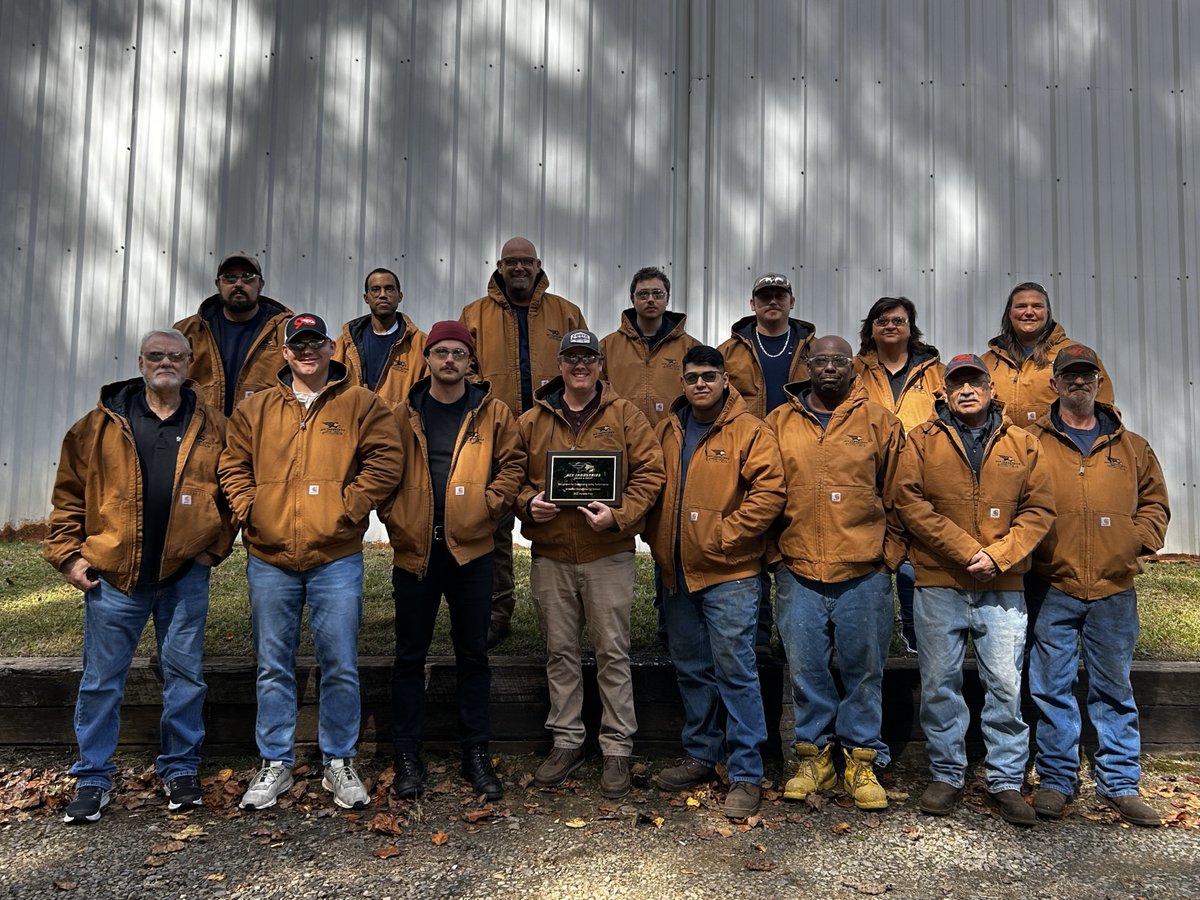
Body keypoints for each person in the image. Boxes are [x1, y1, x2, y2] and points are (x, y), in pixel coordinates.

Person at [45, 329, 235, 824]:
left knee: (185, 679)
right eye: (156, 355)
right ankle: (92, 778)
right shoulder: (98, 425)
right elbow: (67, 495)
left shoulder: (214, 425)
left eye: (175, 356)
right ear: (140, 361)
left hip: (183, 577)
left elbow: (233, 490)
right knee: (102, 682)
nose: (165, 362)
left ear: (190, 363)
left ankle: (180, 768)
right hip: (113, 579)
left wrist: (214, 547)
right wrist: (68, 556)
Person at [220, 313, 403, 812]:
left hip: (335, 556)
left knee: (339, 663)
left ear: (330, 348)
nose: (307, 352)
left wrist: (351, 505)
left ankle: (338, 761)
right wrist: (248, 507)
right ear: (285, 352)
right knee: (272, 664)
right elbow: (231, 463)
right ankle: (275, 761)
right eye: (297, 344)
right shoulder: (255, 408)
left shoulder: (361, 404)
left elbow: (386, 460)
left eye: (315, 343)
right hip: (269, 557)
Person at [893, 353, 1054, 827]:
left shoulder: (1023, 444)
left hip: (1003, 585)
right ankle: (946, 773)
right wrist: (966, 551)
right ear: (943, 392)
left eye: (975, 382)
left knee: (1004, 682)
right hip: (939, 581)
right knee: (940, 682)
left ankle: (1005, 780)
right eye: (957, 384)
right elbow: (909, 501)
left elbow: (1039, 509)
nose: (966, 391)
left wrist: (1000, 555)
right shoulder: (920, 441)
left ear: (990, 389)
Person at [381, 321, 526, 802]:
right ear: (427, 359)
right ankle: (406, 754)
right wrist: (395, 518)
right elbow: (380, 469)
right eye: (440, 352)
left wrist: (489, 504)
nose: (449, 360)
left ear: (470, 361)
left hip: (473, 551)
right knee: (409, 657)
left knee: (473, 655)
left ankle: (475, 753)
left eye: (457, 353)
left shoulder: (491, 411)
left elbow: (514, 464)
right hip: (417, 552)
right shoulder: (401, 414)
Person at [516, 329, 664, 799]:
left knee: (612, 653)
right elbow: (511, 473)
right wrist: (526, 503)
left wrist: (619, 515)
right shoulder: (533, 419)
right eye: (571, 358)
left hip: (608, 554)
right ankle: (566, 741)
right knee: (560, 652)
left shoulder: (625, 416)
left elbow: (651, 472)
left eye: (589, 358)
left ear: (601, 365)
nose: (580, 366)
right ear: (559, 364)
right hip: (552, 557)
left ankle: (618, 747)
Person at [1025, 345, 1170, 826]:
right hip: (1053, 582)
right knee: (1052, 687)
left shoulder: (1132, 447)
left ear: (1098, 381)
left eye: (1087, 375)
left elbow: (1155, 503)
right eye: (1070, 375)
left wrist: (1136, 541)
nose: (1079, 382)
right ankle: (1057, 780)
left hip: (1114, 586)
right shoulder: (1031, 441)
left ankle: (1120, 783)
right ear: (1055, 383)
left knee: (1113, 689)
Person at [766, 337, 905, 811]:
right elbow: (760, 492)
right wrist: (774, 556)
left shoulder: (879, 422)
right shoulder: (779, 422)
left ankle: (862, 758)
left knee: (864, 671)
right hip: (798, 569)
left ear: (853, 368)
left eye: (838, 361)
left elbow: (901, 493)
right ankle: (814, 757)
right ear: (807, 366)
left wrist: (888, 556)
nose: (829, 368)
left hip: (863, 571)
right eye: (820, 360)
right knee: (805, 672)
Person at [647, 346, 785, 819]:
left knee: (736, 670)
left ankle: (746, 771)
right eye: (692, 377)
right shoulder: (667, 429)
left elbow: (770, 494)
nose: (700, 384)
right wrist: (655, 536)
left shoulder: (749, 429)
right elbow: (649, 486)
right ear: (682, 383)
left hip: (730, 574)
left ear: (726, 379)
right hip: (677, 572)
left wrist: (723, 536)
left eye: (709, 376)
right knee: (692, 668)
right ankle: (702, 754)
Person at [460, 237, 587, 647]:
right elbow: (465, 370)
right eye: (511, 262)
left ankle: (564, 611)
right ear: (499, 265)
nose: (519, 268)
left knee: (554, 517)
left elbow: (586, 368)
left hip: (552, 433)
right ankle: (497, 611)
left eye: (526, 262)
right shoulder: (474, 314)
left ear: (538, 265)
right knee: (494, 523)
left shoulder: (566, 313)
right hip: (496, 436)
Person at [600, 266, 700, 644]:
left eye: (657, 294)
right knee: (617, 528)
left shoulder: (688, 347)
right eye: (643, 294)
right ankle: (610, 616)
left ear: (667, 299)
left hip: (671, 451)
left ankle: (667, 616)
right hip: (622, 453)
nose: (650, 300)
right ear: (632, 299)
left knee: (668, 533)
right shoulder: (608, 346)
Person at [719, 272, 816, 656]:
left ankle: (799, 634)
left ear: (792, 301)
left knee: (797, 541)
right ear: (752, 304)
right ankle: (757, 636)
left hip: (802, 456)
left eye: (779, 295)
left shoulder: (812, 349)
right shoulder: (730, 351)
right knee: (753, 545)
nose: (772, 302)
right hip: (747, 459)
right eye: (764, 296)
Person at [853, 296, 945, 655]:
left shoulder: (934, 370)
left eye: (898, 320)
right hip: (868, 474)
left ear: (911, 328)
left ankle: (913, 631)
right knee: (872, 553)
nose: (890, 326)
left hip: (920, 474)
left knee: (915, 555)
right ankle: (866, 633)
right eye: (882, 320)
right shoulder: (855, 370)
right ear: (871, 330)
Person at [981, 281, 1114, 426]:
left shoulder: (1077, 355)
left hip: (1058, 447)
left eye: (1037, 306)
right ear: (1009, 313)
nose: (1029, 312)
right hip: (1005, 448)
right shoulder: (987, 363)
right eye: (1021, 306)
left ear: (1047, 313)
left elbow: (1105, 411)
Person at [175, 252, 292, 416]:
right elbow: (169, 383)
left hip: (261, 433)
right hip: (204, 433)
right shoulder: (188, 330)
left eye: (248, 277)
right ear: (218, 284)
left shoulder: (285, 330)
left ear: (261, 284)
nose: (238, 284)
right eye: (230, 277)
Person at [334, 267, 428, 404]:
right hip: (355, 423)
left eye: (389, 289)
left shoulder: (420, 344)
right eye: (375, 289)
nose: (383, 295)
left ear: (400, 296)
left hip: (397, 424)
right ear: (366, 298)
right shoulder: (346, 343)